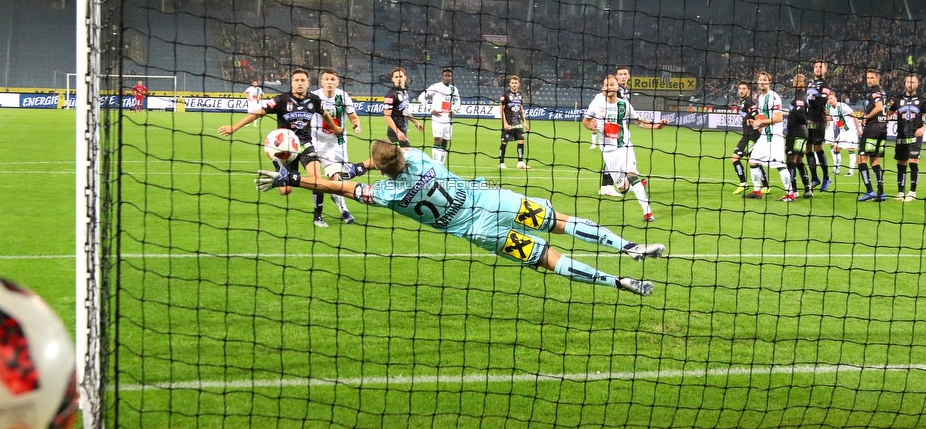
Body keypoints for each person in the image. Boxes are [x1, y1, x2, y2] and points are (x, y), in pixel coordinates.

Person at [255, 140, 666, 296]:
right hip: (493, 199)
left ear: (381, 169)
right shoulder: (415, 155)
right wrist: (359, 165)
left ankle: (618, 282)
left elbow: (335, 188)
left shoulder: (386, 194)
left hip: (478, 230)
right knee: (559, 219)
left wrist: (292, 176)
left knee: (546, 257)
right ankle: (627, 247)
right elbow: (385, 153)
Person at [218, 69, 344, 227]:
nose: (299, 83)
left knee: (317, 179)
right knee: (286, 191)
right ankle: (279, 168)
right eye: (296, 80)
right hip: (286, 150)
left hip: (305, 145)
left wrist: (334, 127)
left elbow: (324, 113)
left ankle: (318, 217)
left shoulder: (315, 100)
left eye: (302, 80)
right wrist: (235, 127)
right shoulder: (281, 100)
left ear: (308, 83)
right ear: (291, 83)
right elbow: (259, 113)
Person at [582, 75, 668, 222]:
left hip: (624, 146)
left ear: (617, 87)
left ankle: (647, 212)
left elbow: (639, 122)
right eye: (606, 84)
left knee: (631, 174)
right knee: (622, 187)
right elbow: (586, 120)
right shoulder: (596, 104)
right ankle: (638, 186)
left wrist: (657, 126)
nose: (608, 86)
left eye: (611, 84)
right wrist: (590, 126)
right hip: (607, 151)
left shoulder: (624, 105)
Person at [313, 68, 361, 223]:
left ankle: (338, 200)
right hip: (320, 143)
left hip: (339, 143)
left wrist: (356, 125)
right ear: (321, 82)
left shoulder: (343, 96)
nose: (329, 82)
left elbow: (353, 116)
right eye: (326, 79)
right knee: (334, 176)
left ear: (337, 82)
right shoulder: (314, 96)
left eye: (332, 79)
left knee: (341, 178)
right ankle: (344, 211)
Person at [744, 71, 794, 200]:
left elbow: (778, 117)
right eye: (760, 80)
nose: (762, 82)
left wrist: (761, 121)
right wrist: (756, 123)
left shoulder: (774, 97)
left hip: (774, 136)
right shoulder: (760, 98)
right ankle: (757, 191)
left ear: (769, 82)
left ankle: (790, 193)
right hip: (764, 136)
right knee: (753, 161)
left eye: (764, 80)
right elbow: (764, 118)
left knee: (780, 165)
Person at [598, 66, 634, 197]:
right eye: (620, 74)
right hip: (610, 127)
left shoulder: (625, 91)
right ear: (616, 76)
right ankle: (607, 187)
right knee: (613, 159)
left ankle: (606, 187)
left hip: (618, 127)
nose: (623, 76)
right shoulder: (614, 89)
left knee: (614, 160)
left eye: (625, 74)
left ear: (629, 76)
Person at [888, 74, 926, 201]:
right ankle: (900, 192)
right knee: (901, 162)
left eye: (913, 82)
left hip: (915, 135)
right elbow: (889, 112)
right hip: (901, 135)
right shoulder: (898, 99)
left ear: (917, 84)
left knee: (913, 161)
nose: (910, 84)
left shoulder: (922, 100)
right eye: (908, 82)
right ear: (905, 83)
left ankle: (912, 192)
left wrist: (922, 128)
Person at [730, 81, 770, 195]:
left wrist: (759, 127)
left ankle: (744, 183)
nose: (741, 90)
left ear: (749, 91)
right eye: (740, 88)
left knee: (736, 158)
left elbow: (758, 118)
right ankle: (765, 186)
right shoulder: (744, 103)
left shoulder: (750, 103)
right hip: (746, 135)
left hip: (752, 136)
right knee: (753, 160)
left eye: (744, 88)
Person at [857, 69, 888, 202]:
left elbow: (879, 107)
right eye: (868, 78)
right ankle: (881, 193)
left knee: (861, 159)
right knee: (875, 161)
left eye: (871, 78)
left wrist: (866, 116)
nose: (869, 80)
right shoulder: (883, 92)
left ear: (878, 79)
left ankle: (870, 190)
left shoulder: (875, 91)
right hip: (882, 129)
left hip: (873, 129)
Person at [420, 67, 461, 164]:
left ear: (451, 77)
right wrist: (430, 109)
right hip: (437, 119)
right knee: (437, 139)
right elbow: (422, 96)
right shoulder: (436, 86)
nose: (447, 77)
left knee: (445, 142)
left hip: (447, 120)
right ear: (442, 76)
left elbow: (458, 101)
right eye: (445, 76)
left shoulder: (453, 89)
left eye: (449, 76)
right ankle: (435, 163)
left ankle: (441, 164)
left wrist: (454, 110)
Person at [783, 74, 812, 201]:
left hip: (797, 132)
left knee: (791, 160)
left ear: (804, 84)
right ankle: (807, 188)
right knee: (799, 161)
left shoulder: (800, 97)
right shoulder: (800, 96)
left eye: (799, 81)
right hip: (802, 132)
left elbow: (800, 113)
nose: (796, 82)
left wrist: (804, 121)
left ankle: (793, 190)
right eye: (795, 80)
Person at [805, 61, 833, 191]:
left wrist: (811, 99)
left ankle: (827, 178)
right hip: (808, 119)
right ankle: (815, 178)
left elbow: (822, 100)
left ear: (825, 70)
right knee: (807, 149)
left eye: (820, 67)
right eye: (816, 67)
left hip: (818, 120)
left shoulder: (826, 85)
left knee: (818, 148)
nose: (818, 69)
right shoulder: (810, 84)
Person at [383, 67, 424, 147]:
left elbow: (404, 110)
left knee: (398, 158)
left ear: (405, 77)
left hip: (402, 131)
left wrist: (415, 122)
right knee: (407, 155)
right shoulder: (390, 95)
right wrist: (398, 132)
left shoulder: (405, 92)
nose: (399, 79)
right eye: (396, 77)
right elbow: (387, 116)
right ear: (392, 79)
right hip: (395, 133)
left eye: (401, 76)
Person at [498, 74, 531, 170]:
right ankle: (501, 162)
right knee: (505, 142)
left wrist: (525, 122)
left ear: (519, 84)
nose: (514, 84)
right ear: (509, 84)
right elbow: (501, 110)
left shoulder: (520, 95)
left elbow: (520, 110)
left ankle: (520, 162)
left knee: (522, 140)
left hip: (518, 122)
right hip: (508, 123)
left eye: (516, 83)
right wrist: (505, 123)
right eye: (512, 83)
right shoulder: (505, 95)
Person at [827, 91, 860, 177]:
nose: (830, 100)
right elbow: (831, 117)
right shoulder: (829, 108)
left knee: (850, 149)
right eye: (828, 99)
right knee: (836, 150)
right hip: (842, 132)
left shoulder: (843, 106)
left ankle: (851, 171)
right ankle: (837, 169)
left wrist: (858, 130)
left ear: (836, 99)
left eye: (831, 98)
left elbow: (854, 117)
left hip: (850, 131)